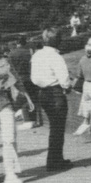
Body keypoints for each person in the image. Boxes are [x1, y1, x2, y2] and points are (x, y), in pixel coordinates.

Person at [31, 27, 73, 172]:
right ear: (57, 40)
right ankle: (54, 161)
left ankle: (55, 159)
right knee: (57, 128)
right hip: (55, 93)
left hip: (43, 93)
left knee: (54, 127)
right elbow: (64, 79)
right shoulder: (56, 57)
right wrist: (67, 87)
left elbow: (34, 78)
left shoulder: (37, 55)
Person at [0, 44, 35, 183]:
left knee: (10, 138)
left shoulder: (4, 61)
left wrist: (27, 96)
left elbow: (17, 80)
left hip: (3, 102)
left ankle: (10, 173)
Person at [8, 35, 41, 129]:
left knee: (23, 98)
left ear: (17, 42)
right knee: (32, 97)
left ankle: (27, 120)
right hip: (31, 77)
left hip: (18, 79)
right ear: (25, 41)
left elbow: (10, 69)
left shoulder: (12, 54)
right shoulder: (30, 52)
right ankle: (33, 119)